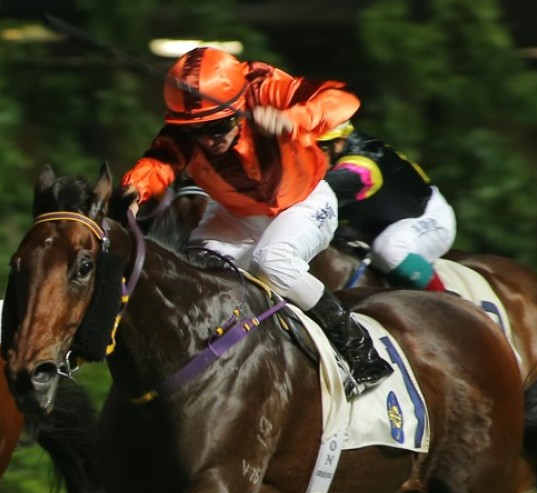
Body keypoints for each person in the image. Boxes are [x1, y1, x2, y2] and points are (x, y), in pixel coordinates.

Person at [121, 47, 392, 395]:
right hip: (236, 216)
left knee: (272, 261)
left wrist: (295, 118)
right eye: (197, 131)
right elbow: (157, 164)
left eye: (218, 126)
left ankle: (360, 350)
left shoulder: (265, 86)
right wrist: (133, 191)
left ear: (236, 109)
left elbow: (341, 100)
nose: (208, 140)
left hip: (304, 202)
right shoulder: (185, 131)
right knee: (195, 271)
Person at [318, 121, 455, 291]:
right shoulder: (341, 143)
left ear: (338, 143)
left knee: (389, 249)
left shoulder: (359, 170)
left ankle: (445, 301)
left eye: (315, 148)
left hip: (429, 218)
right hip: (374, 226)